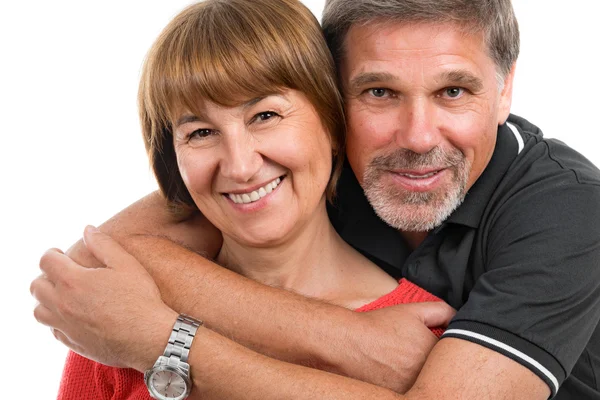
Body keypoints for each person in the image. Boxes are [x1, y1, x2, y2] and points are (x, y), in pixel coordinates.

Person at [31, 0, 600, 398]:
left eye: (454, 90)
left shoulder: (567, 211)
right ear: (334, 100)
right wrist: (347, 340)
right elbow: (97, 263)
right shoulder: (339, 154)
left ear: (505, 89)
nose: (418, 136)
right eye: (379, 91)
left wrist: (161, 342)